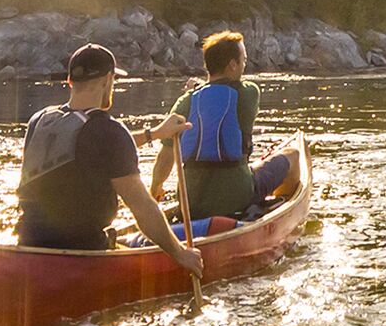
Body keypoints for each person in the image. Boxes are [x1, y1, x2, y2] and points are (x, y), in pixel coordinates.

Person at [16, 43, 204, 276]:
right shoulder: (109, 131)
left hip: (29, 243)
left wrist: (154, 134)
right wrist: (180, 253)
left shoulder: (40, 120)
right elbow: (142, 206)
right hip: (83, 252)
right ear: (107, 80)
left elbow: (91, 149)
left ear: (70, 81)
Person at [149, 28, 297, 222]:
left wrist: (156, 186)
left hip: (191, 202)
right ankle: (286, 219)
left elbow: (165, 156)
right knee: (293, 155)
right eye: (243, 60)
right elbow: (219, 94)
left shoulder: (186, 102)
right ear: (233, 65)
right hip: (237, 198)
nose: (245, 65)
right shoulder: (248, 94)